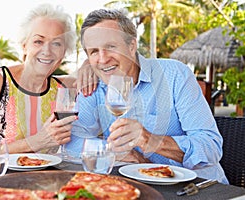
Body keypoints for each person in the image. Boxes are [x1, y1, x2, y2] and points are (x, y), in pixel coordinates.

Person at [66, 8, 228, 184]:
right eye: (94, 51)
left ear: (132, 46)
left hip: (197, 188)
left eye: (111, 47)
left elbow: (211, 147)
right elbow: (73, 142)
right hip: (139, 188)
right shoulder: (93, 85)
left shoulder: (174, 75)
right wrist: (119, 152)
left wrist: (150, 141)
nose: (102, 59)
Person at [0, 3, 95, 163]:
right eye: (38, 41)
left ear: (64, 52)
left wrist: (89, 63)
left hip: (40, 182)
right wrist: (36, 142)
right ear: (24, 46)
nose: (47, 51)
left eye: (57, 43)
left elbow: (100, 66)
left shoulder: (63, 88)